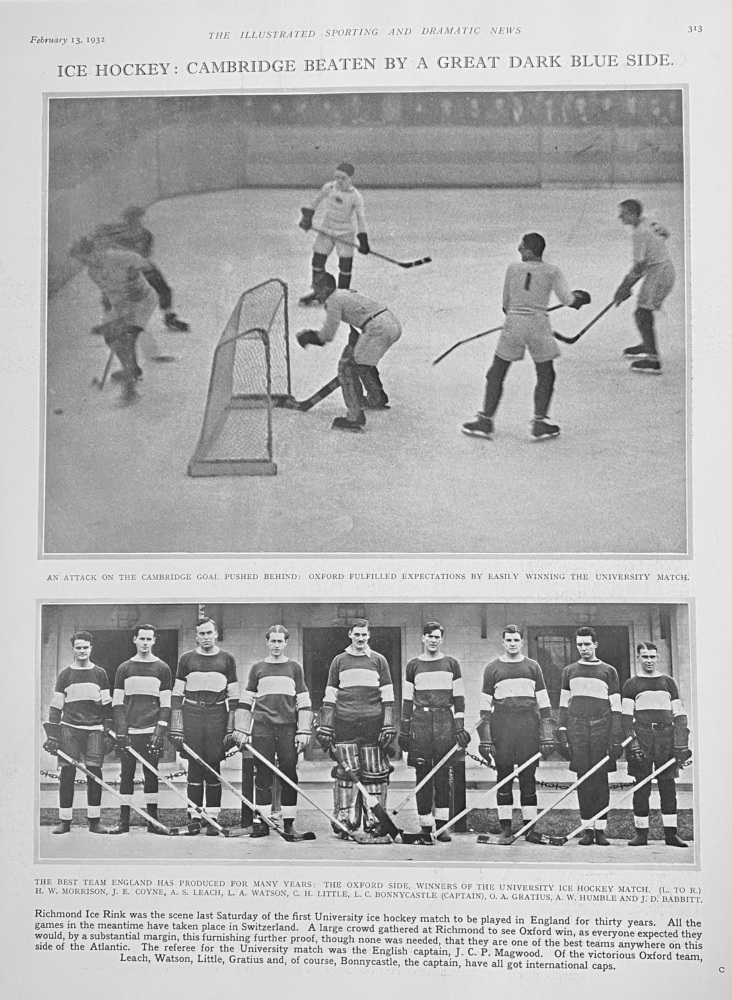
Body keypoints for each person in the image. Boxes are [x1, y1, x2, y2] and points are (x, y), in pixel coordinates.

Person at [462, 233, 590, 441]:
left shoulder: (513, 269)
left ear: (531, 249)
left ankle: (485, 420)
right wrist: (579, 299)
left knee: (497, 371)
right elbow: (568, 300)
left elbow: (506, 303)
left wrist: (516, 316)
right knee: (545, 372)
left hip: (513, 323)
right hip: (539, 325)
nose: (519, 249)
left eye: (522, 247)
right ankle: (539, 423)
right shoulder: (553, 271)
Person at [315, 619, 396, 837]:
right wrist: (326, 725)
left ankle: (374, 821)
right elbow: (330, 695)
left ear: (369, 636)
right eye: (357, 634)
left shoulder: (379, 660)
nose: (361, 638)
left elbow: (388, 695)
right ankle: (345, 821)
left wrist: (388, 724)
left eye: (365, 635)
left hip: (373, 724)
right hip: (345, 724)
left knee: (374, 773)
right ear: (350, 635)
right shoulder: (339, 661)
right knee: (346, 772)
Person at [477, 625, 555, 844]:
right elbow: (485, 707)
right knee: (503, 776)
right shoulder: (492, 668)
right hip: (503, 724)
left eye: (516, 640)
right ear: (503, 642)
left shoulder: (533, 666)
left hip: (528, 724)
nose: (512, 643)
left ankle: (530, 829)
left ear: (522, 642)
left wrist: (547, 732)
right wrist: (486, 738)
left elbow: (544, 702)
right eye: (508, 640)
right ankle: (505, 828)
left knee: (528, 777)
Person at [232, 625, 312, 838]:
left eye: (280, 641)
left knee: (289, 773)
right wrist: (240, 728)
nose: (276, 645)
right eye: (273, 641)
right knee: (263, 776)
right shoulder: (257, 668)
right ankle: (264, 824)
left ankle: (288, 824)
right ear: (267, 642)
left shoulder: (294, 668)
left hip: (287, 727)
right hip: (262, 728)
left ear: (286, 643)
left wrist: (303, 729)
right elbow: (247, 699)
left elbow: (303, 700)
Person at [296, 272, 402, 431]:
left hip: (378, 328)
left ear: (325, 289)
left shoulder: (333, 302)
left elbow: (327, 335)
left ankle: (354, 417)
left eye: (317, 290)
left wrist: (309, 337)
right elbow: (358, 310)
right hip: (390, 322)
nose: (316, 294)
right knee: (362, 360)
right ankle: (376, 398)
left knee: (348, 368)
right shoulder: (343, 293)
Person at [399, 623, 471, 842]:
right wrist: (405, 730)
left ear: (442, 639)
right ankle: (425, 826)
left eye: (437, 637)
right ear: (423, 638)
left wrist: (459, 726)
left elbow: (459, 698)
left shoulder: (451, 664)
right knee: (423, 774)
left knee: (442, 775)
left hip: (443, 721)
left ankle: (441, 826)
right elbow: (408, 699)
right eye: (429, 636)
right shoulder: (413, 665)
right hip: (420, 721)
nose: (433, 640)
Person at [168, 619, 239, 835]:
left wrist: (231, 727)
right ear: (196, 636)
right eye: (202, 633)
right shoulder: (186, 659)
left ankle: (213, 817)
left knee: (213, 764)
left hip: (217, 713)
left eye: (209, 632)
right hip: (192, 714)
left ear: (216, 633)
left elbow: (233, 696)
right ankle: (194, 816)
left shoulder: (227, 659)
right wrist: (177, 725)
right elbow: (177, 694)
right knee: (195, 764)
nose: (206, 637)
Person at [68, 234, 159, 404]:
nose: (86, 263)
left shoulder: (115, 256)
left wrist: (134, 275)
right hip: (121, 305)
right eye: (82, 261)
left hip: (142, 301)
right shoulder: (92, 272)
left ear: (93, 251)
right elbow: (108, 293)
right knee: (111, 337)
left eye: (86, 258)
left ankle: (130, 390)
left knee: (126, 340)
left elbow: (144, 263)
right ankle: (131, 369)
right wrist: (108, 319)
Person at [557, 627, 623, 846]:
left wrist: (615, 737)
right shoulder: (569, 670)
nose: (583, 648)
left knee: (600, 779)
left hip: (601, 729)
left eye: (587, 644)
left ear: (595, 644)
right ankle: (587, 830)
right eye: (579, 644)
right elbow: (564, 705)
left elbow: (616, 707)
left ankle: (601, 830)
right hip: (577, 729)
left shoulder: (609, 671)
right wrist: (562, 732)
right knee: (583, 778)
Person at [42, 631, 114, 834]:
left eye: (85, 647)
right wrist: (53, 735)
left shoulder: (100, 673)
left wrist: (108, 729)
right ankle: (65, 821)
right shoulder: (65, 674)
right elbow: (56, 706)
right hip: (69, 729)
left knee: (94, 774)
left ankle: (94, 821)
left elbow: (107, 705)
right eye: (78, 647)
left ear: (91, 648)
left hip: (94, 729)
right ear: (73, 649)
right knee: (67, 774)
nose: (82, 651)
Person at [622, 641, 691, 847]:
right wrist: (632, 743)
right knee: (641, 785)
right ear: (638, 658)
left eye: (652, 656)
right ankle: (641, 834)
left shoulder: (668, 682)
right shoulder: (631, 684)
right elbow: (626, 718)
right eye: (645, 657)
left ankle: (671, 835)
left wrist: (680, 744)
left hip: (666, 738)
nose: (649, 661)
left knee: (668, 787)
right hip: (642, 736)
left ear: (657, 657)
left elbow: (679, 715)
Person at [109, 624, 173, 835]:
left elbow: (166, 704)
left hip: (151, 731)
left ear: (154, 641)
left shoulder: (163, 668)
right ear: (134, 639)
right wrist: (121, 729)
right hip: (129, 731)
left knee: (151, 775)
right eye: (141, 638)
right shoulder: (123, 668)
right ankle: (123, 821)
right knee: (126, 775)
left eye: (149, 639)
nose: (145, 643)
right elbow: (117, 703)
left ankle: (152, 822)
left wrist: (160, 730)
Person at [96, 206, 190, 332]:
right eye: (131, 221)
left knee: (163, 288)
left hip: (141, 266)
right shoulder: (120, 237)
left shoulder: (146, 235)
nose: (134, 223)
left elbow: (144, 255)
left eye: (137, 220)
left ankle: (169, 316)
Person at [614, 199, 675, 374]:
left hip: (659, 274)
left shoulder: (639, 233)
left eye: (623, 213)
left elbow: (639, 266)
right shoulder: (648, 220)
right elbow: (665, 234)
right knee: (642, 312)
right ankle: (647, 345)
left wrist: (624, 287)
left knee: (642, 313)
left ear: (633, 215)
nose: (620, 217)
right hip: (662, 269)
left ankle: (653, 360)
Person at [298, 162, 370, 305]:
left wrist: (363, 240)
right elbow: (315, 203)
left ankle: (342, 297)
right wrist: (307, 218)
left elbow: (360, 219)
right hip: (326, 229)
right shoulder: (329, 188)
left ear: (350, 178)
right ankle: (319, 291)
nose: (339, 181)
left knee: (345, 266)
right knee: (317, 260)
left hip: (344, 233)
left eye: (343, 178)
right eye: (337, 177)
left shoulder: (356, 196)